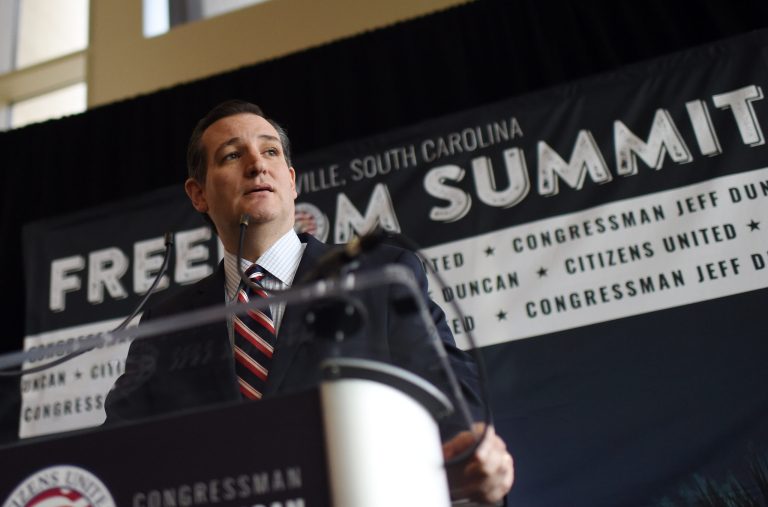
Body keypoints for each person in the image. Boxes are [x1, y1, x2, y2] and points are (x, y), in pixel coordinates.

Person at [105, 100, 514, 504]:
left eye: (270, 151)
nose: (257, 165)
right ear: (198, 194)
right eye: (232, 155)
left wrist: (472, 453)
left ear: (291, 179)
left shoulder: (381, 276)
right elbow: (116, 452)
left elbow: (454, 395)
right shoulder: (167, 321)